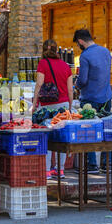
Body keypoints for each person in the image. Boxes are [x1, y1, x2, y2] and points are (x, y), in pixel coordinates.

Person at [33, 39, 73, 180]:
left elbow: (39, 84)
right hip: (62, 105)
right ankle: (60, 170)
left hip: (47, 106)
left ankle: (47, 171)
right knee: (61, 138)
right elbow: (70, 89)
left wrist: (34, 103)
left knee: (48, 138)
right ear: (57, 50)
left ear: (43, 50)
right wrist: (70, 105)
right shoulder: (65, 66)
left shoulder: (43, 64)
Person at [73, 29, 112, 174]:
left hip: (90, 98)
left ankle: (92, 165)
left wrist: (76, 84)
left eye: (78, 44)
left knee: (89, 131)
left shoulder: (85, 55)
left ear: (81, 41)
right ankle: (107, 164)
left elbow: (83, 80)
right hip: (107, 96)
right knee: (106, 131)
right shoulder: (105, 51)